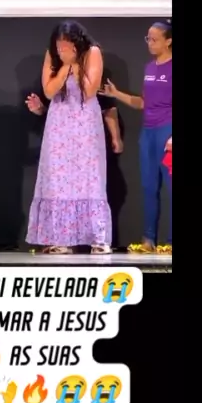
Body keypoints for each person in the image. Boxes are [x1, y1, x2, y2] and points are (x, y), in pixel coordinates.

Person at [26, 21, 112, 254]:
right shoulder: (53, 56)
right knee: (58, 179)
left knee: (89, 177)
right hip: (59, 123)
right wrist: (65, 67)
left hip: (85, 123)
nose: (61, 48)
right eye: (58, 45)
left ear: (77, 42)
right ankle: (60, 238)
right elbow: (49, 91)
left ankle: (97, 238)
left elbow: (89, 90)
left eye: (66, 45)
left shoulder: (92, 52)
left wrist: (75, 64)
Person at [102, 19, 172, 254]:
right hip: (148, 133)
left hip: (168, 132)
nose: (149, 43)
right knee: (148, 187)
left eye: (154, 39)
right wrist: (116, 93)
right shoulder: (150, 68)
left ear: (169, 41)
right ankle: (148, 240)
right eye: (147, 39)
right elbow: (143, 103)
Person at [26, 88, 125, 248]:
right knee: (59, 189)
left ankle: (97, 238)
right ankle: (61, 240)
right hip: (60, 140)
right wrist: (40, 108)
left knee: (91, 187)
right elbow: (49, 108)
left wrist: (116, 137)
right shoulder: (54, 77)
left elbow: (108, 107)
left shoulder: (93, 75)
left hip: (87, 138)